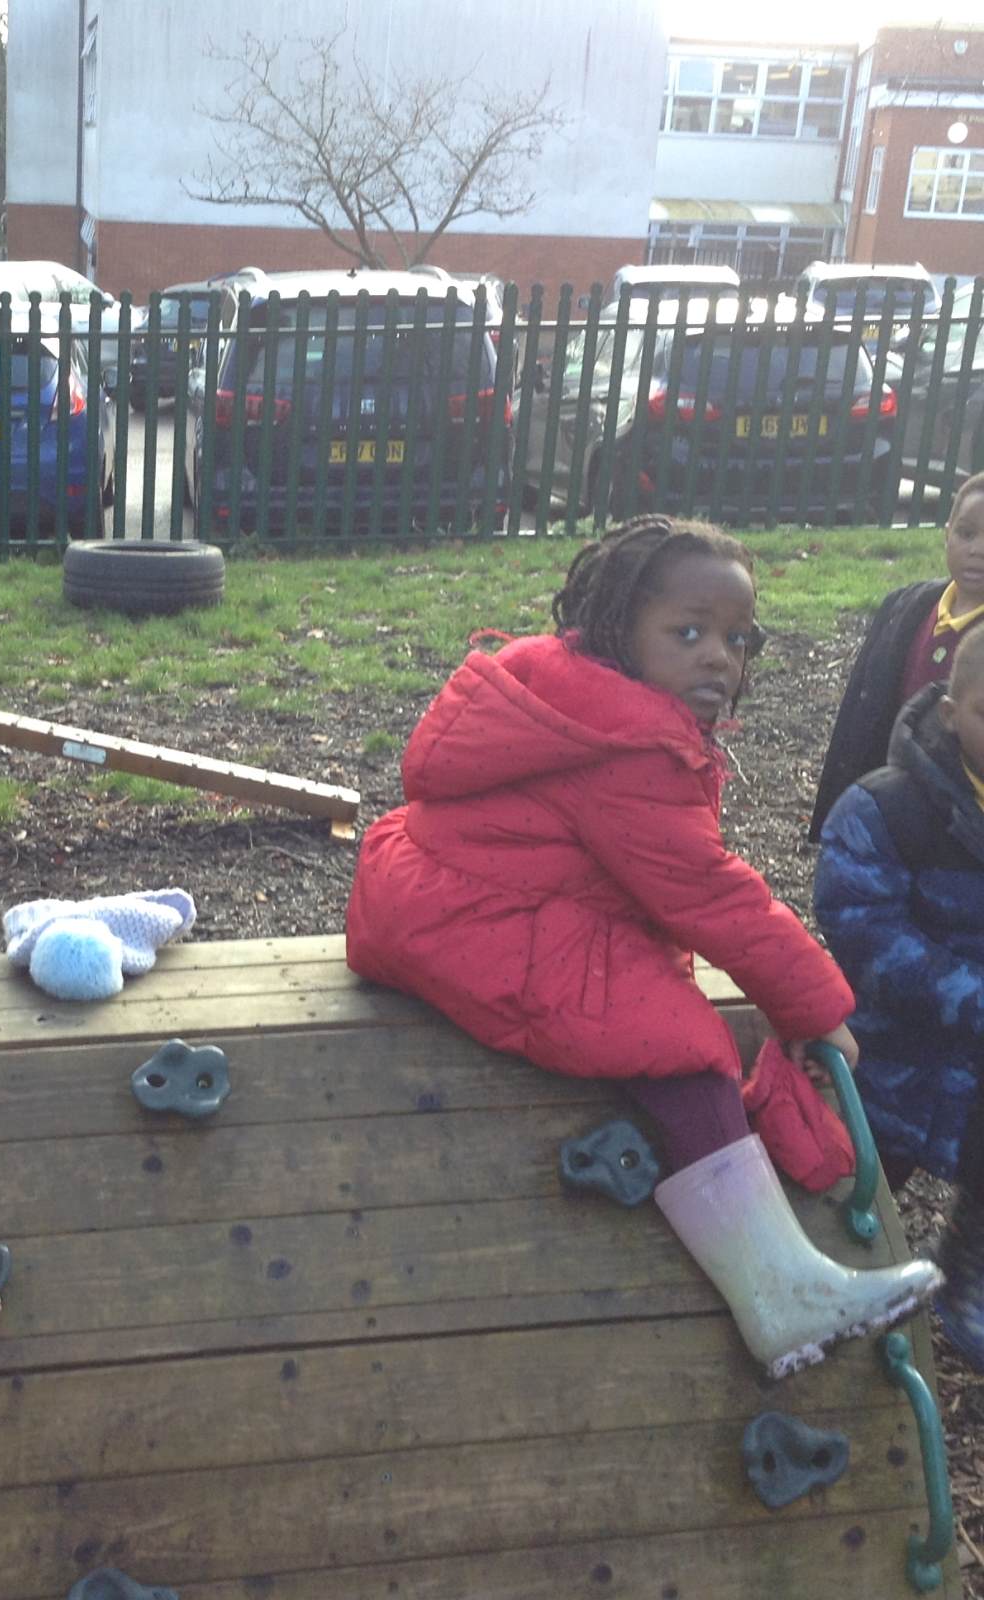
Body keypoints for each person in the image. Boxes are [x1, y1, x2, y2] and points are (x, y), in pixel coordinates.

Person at [346, 515, 941, 1381]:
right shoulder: (627, 746)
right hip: (480, 923)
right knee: (681, 1048)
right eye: (688, 633)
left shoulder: (572, 693)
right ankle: (778, 1290)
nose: (719, 659)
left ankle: (784, 1275)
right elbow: (707, 893)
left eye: (737, 639)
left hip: (432, 892)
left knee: (654, 991)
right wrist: (818, 1009)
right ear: (620, 627)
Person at [815, 624, 984, 1368]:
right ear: (951, 712)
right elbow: (863, 926)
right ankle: (836, 1273)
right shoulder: (887, 807)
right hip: (898, 1050)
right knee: (862, 1172)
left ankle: (967, 1274)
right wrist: (968, 997)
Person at [809, 471, 984, 840]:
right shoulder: (905, 608)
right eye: (967, 534)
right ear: (947, 534)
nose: (977, 550)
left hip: (961, 821)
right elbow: (861, 713)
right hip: (887, 798)